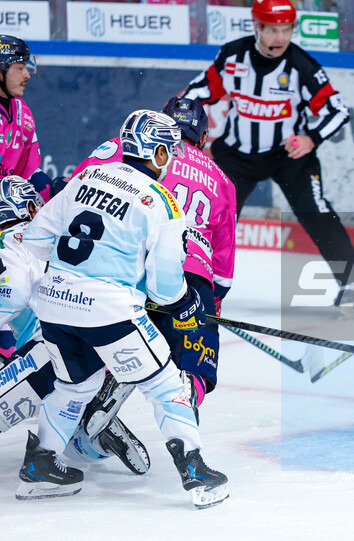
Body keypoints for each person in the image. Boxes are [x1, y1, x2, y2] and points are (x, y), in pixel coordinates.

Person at [17, 110, 229, 509]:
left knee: (74, 386)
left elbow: (37, 236)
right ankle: (196, 472)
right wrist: (184, 304)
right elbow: (166, 287)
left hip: (55, 304)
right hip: (109, 311)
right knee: (165, 384)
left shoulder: (86, 178)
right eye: (172, 152)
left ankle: (39, 467)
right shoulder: (163, 203)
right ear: (160, 152)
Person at [179, 0, 354, 310]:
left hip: (289, 156)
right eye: (272, 30)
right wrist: (179, 116)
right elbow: (200, 91)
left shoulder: (302, 66)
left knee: (315, 210)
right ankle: (192, 284)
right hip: (237, 155)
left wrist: (312, 138)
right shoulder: (232, 55)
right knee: (210, 216)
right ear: (257, 28)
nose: (280, 38)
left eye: (287, 30)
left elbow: (338, 110)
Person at [71, 97, 237, 425]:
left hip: (132, 265)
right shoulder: (222, 180)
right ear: (202, 138)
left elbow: (79, 183)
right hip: (192, 275)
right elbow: (224, 262)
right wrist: (211, 302)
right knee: (195, 354)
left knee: (112, 335)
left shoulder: (129, 145)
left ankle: (102, 384)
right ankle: (188, 390)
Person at [0, 175, 150, 493]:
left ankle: (86, 432)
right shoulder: (23, 242)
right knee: (60, 354)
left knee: (66, 359)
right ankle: (85, 433)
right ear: (27, 208)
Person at [0, 36, 51, 198]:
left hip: (7, 198)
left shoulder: (23, 111)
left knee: (50, 188)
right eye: (20, 68)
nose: (27, 75)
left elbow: (30, 172)